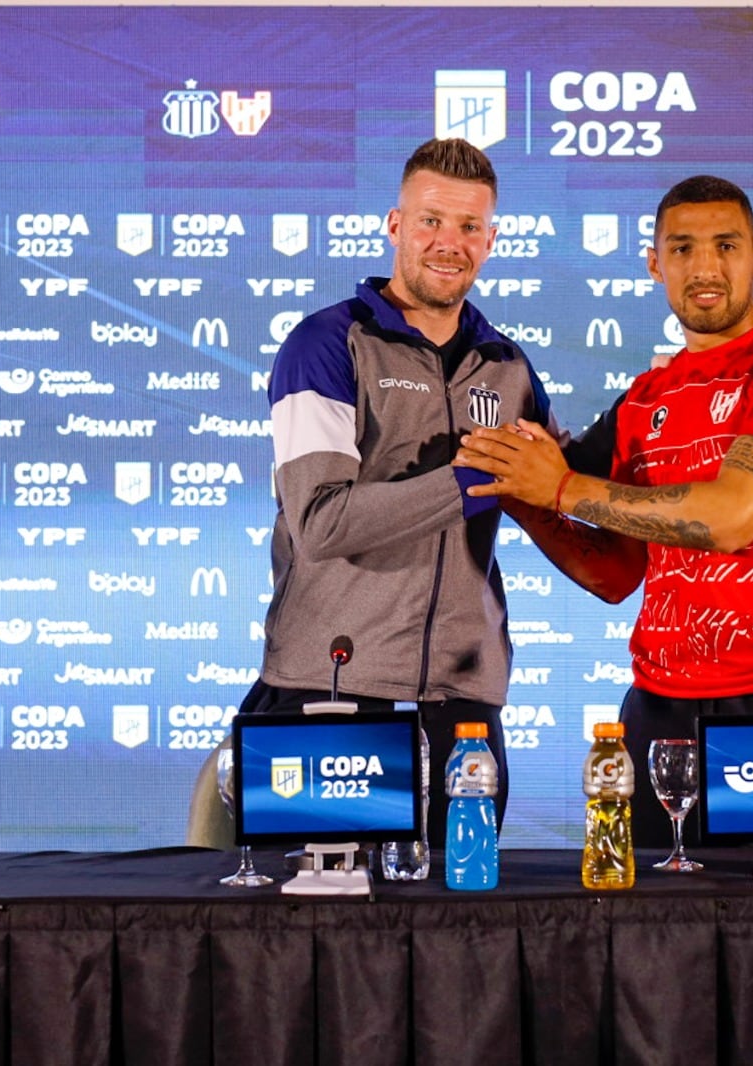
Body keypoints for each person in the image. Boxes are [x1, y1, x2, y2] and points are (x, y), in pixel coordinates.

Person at [454, 175, 753, 847]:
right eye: (682, 248)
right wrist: (523, 495)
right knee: (645, 937)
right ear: (654, 263)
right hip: (657, 709)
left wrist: (559, 489)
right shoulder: (644, 399)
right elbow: (613, 574)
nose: (704, 267)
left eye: (725, 245)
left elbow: (732, 517)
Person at [240, 137, 558, 849]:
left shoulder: (506, 365)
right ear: (394, 226)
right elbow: (320, 521)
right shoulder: (325, 344)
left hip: (463, 706)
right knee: (309, 931)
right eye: (431, 221)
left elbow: (557, 478)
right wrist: (475, 479)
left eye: (470, 227)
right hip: (329, 694)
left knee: (461, 931)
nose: (451, 243)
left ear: (492, 238)